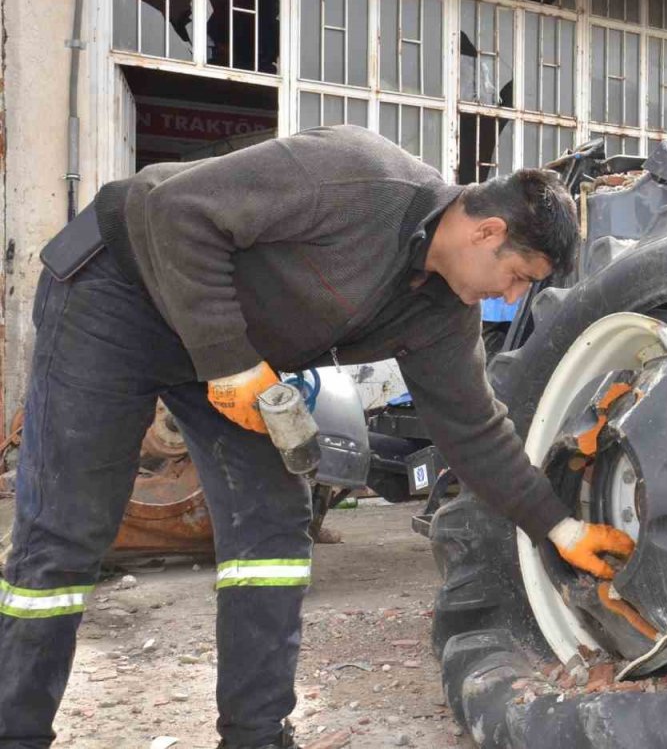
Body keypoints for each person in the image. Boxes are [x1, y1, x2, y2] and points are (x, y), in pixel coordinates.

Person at [0, 125, 635, 749]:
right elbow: (173, 209)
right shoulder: (358, 176)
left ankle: (256, 735)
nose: (512, 294)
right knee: (68, 529)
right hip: (118, 287)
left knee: (273, 524)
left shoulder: (442, 311)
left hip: (227, 339)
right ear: (487, 231)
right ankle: (17, 729)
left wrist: (560, 527)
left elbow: (474, 431)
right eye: (519, 275)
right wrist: (230, 362)